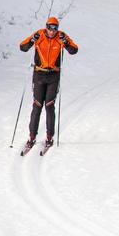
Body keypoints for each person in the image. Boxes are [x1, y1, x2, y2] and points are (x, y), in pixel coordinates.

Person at [19, 16, 78, 149]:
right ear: (46, 27)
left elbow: (74, 50)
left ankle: (49, 137)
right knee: (37, 105)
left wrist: (66, 43)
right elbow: (22, 47)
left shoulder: (61, 36)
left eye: (55, 28)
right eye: (50, 28)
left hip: (53, 75)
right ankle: (32, 136)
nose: (52, 31)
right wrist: (32, 41)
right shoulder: (39, 34)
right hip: (39, 74)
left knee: (50, 106)